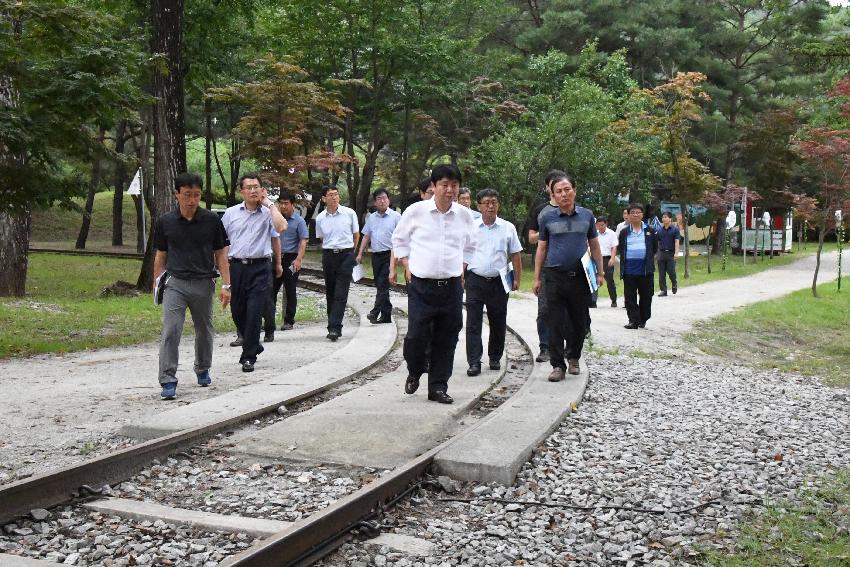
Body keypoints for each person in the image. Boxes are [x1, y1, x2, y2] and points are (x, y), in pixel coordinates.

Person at [392, 164, 477, 404]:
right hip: (421, 286)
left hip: (451, 286)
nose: (449, 190)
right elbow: (399, 240)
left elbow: (471, 244)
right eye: (444, 185)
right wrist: (406, 264)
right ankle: (415, 368)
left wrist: (462, 266)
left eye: (454, 185)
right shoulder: (416, 211)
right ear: (434, 186)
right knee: (416, 335)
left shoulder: (464, 215)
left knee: (447, 336)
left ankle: (438, 387)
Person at [153, 172, 230, 400]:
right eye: (187, 194)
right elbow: (160, 256)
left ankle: (203, 367)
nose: (192, 200)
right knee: (171, 330)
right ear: (177, 194)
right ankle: (168, 379)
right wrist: (157, 283)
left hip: (203, 282)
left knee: (204, 330)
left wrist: (226, 284)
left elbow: (221, 254)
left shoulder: (212, 220)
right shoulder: (166, 222)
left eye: (196, 195)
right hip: (175, 283)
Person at [532, 173, 604, 382]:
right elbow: (542, 248)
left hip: (580, 276)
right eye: (559, 191)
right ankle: (557, 365)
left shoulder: (587, 216)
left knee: (578, 320)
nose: (564, 194)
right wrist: (537, 278)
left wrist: (599, 273)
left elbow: (595, 245)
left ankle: (574, 357)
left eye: (567, 190)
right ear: (553, 195)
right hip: (554, 276)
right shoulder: (547, 218)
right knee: (554, 320)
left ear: (574, 190)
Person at [222, 173, 287, 372]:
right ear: (241, 191)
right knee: (238, 311)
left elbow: (281, 227)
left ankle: (248, 356)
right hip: (237, 267)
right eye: (248, 187)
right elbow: (222, 244)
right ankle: (254, 344)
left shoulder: (268, 213)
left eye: (256, 187)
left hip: (260, 268)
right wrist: (223, 271)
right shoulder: (231, 213)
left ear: (262, 190)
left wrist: (270, 204)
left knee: (254, 311)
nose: (252, 190)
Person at [464, 188, 522, 376]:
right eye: (487, 202)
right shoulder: (471, 227)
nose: (491, 206)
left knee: (498, 321)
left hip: (499, 281)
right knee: (473, 322)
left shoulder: (507, 227)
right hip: (475, 280)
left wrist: (517, 279)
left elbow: (515, 254)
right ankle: (474, 361)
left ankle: (495, 357)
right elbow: (463, 251)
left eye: (494, 202)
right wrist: (460, 273)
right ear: (478, 206)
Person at [527, 169, 566, 363]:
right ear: (547, 187)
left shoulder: (574, 210)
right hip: (545, 266)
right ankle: (544, 347)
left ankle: (565, 347)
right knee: (544, 309)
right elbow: (531, 237)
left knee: (566, 308)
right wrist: (546, 233)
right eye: (553, 184)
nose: (557, 188)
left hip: (567, 267)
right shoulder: (540, 210)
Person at [315, 185, 360, 341]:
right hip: (329, 255)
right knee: (331, 291)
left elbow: (356, 235)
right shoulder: (320, 218)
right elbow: (322, 239)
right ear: (324, 199)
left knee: (341, 292)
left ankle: (335, 327)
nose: (334, 197)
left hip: (346, 254)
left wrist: (352, 253)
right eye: (330, 195)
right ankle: (332, 324)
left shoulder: (349, 213)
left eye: (336, 194)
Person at [263, 191, 308, 336]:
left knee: (290, 290)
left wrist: (299, 259)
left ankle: (289, 320)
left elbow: (303, 240)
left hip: (291, 258)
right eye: (280, 203)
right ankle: (269, 321)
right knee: (270, 291)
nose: (283, 206)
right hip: (274, 257)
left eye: (286, 203)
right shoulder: (274, 218)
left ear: (292, 204)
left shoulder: (299, 221)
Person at [357, 188, 401, 324]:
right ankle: (386, 315)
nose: (382, 201)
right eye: (379, 199)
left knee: (382, 284)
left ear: (389, 200)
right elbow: (366, 236)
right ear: (375, 202)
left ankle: (375, 312)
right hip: (376, 256)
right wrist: (359, 253)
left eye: (384, 198)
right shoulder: (372, 218)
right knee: (381, 285)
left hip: (390, 255)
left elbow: (401, 238)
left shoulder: (396, 217)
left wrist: (399, 255)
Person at [618, 203, 658, 329]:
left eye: (638, 212)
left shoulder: (650, 230)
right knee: (629, 297)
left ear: (642, 214)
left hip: (645, 269)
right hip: (629, 269)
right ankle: (633, 320)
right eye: (633, 212)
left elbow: (654, 248)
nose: (635, 214)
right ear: (628, 215)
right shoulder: (624, 232)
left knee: (646, 296)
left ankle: (643, 318)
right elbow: (621, 248)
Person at [593, 216, 619, 308]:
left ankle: (614, 300)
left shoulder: (611, 233)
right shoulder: (594, 234)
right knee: (594, 279)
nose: (600, 227)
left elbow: (614, 247)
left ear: (606, 224)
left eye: (602, 225)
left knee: (610, 280)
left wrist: (612, 258)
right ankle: (593, 301)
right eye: (598, 225)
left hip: (607, 259)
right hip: (596, 259)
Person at [656, 211, 681, 296]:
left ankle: (674, 283)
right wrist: (657, 253)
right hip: (661, 253)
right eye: (663, 217)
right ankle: (663, 290)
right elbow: (658, 242)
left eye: (666, 217)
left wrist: (676, 253)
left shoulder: (675, 230)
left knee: (671, 271)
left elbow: (676, 242)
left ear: (670, 219)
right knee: (661, 273)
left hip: (671, 253)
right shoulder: (659, 230)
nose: (664, 219)